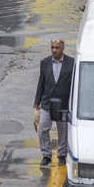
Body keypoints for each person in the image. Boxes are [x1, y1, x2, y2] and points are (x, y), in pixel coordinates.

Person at [33, 39, 74, 167]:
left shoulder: (71, 63)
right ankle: (46, 155)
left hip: (63, 103)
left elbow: (74, 84)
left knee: (63, 130)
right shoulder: (45, 63)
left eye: (57, 48)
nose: (54, 50)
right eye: (52, 47)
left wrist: (72, 100)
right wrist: (37, 102)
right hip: (47, 102)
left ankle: (62, 155)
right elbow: (41, 83)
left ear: (62, 48)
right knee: (43, 129)